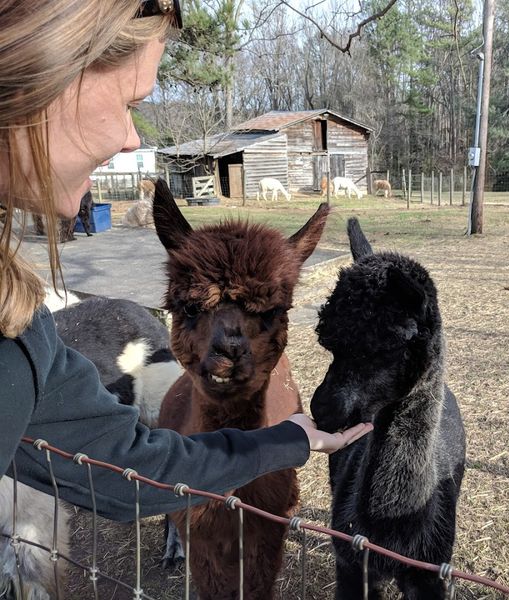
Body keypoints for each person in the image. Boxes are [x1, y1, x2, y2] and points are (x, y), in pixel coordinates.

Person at [0, 0, 371, 520]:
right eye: (132, 104)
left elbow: (121, 466)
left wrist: (283, 442)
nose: (133, 140)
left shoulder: (18, 322)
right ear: (44, 73)